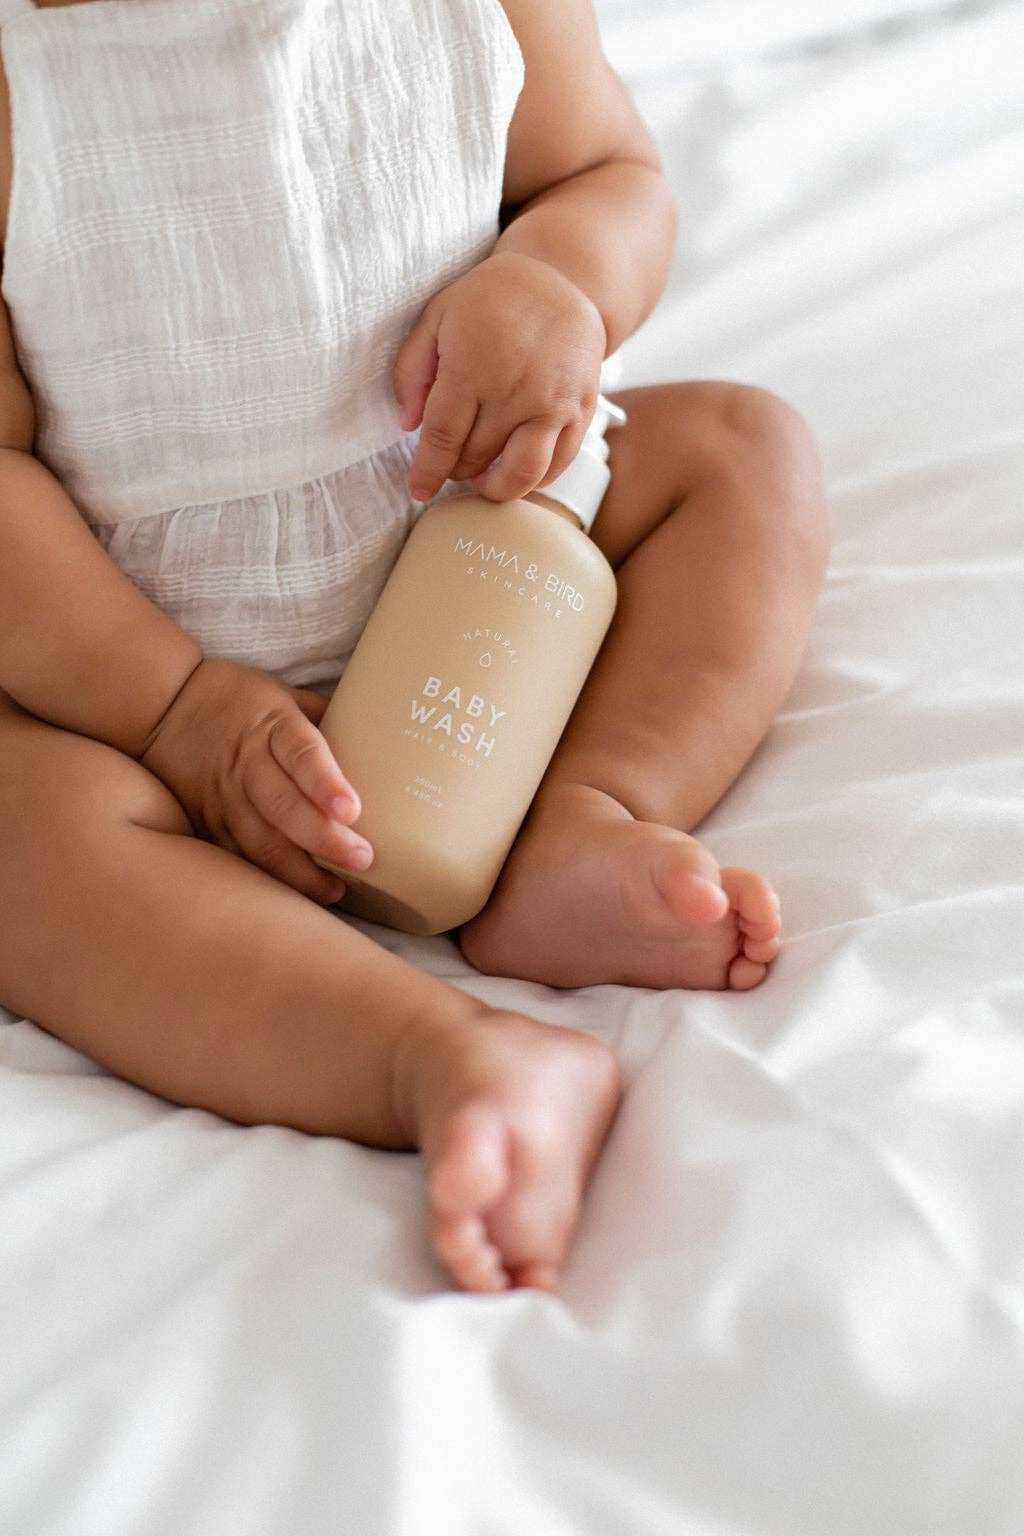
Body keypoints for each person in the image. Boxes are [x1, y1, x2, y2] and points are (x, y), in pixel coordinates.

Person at [0, 0, 830, 1294]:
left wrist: (558, 279)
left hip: (501, 555)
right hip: (154, 666)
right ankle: (436, 1051)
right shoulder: (20, 78)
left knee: (745, 457)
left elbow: (612, 178)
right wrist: (174, 710)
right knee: (18, 824)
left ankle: (577, 814)